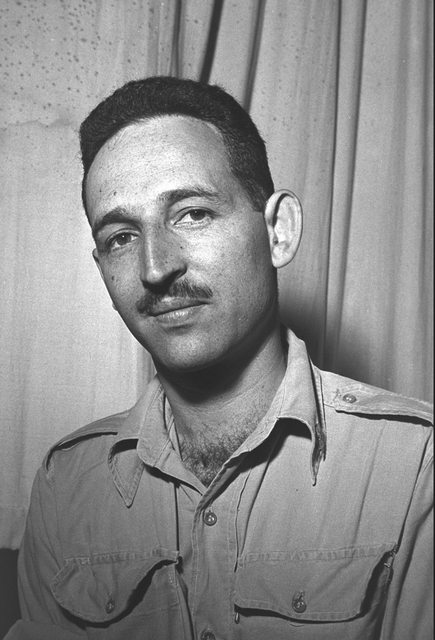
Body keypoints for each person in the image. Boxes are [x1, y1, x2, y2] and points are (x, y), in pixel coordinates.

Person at [6, 77, 433, 640]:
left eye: (192, 214)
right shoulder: (65, 484)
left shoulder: (417, 466)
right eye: (121, 237)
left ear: (278, 232)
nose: (156, 268)